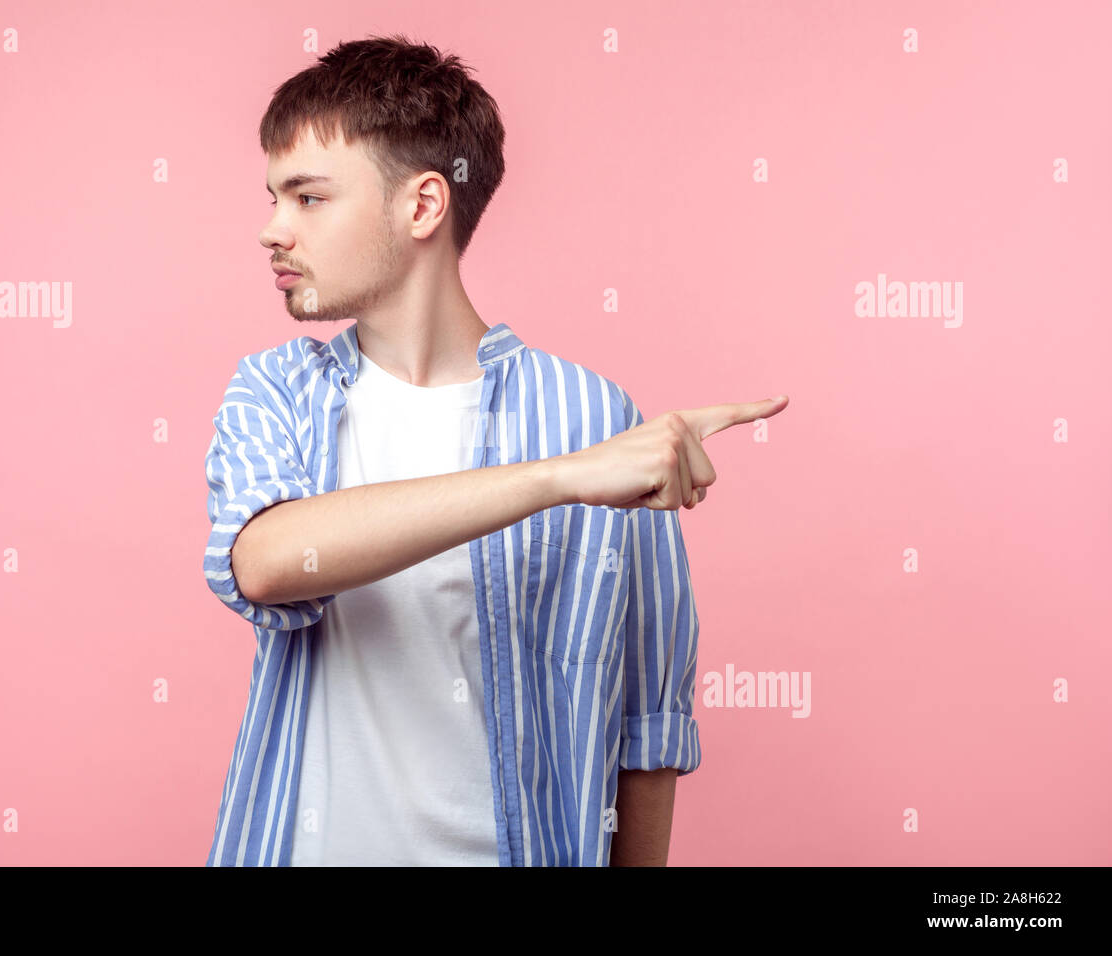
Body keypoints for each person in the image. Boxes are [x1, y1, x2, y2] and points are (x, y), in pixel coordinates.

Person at [202, 33, 788, 867]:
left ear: (423, 206)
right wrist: (556, 479)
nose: (270, 230)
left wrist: (583, 457)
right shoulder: (275, 394)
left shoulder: (596, 417)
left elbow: (649, 720)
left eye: (307, 197)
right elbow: (263, 562)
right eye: (272, 197)